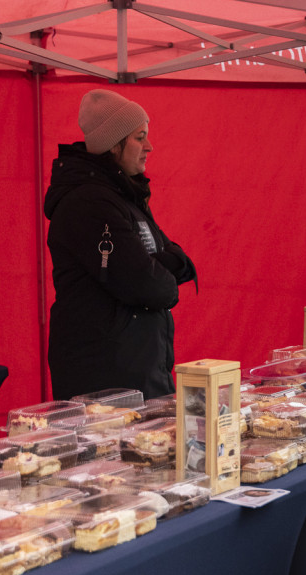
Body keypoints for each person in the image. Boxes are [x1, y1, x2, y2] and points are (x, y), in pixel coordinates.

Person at [45, 88, 196, 400]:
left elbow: (172, 259)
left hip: (135, 368)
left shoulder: (123, 194)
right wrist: (158, 273)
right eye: (140, 137)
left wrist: (157, 267)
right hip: (105, 378)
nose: (149, 147)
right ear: (114, 145)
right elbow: (148, 284)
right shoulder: (89, 201)